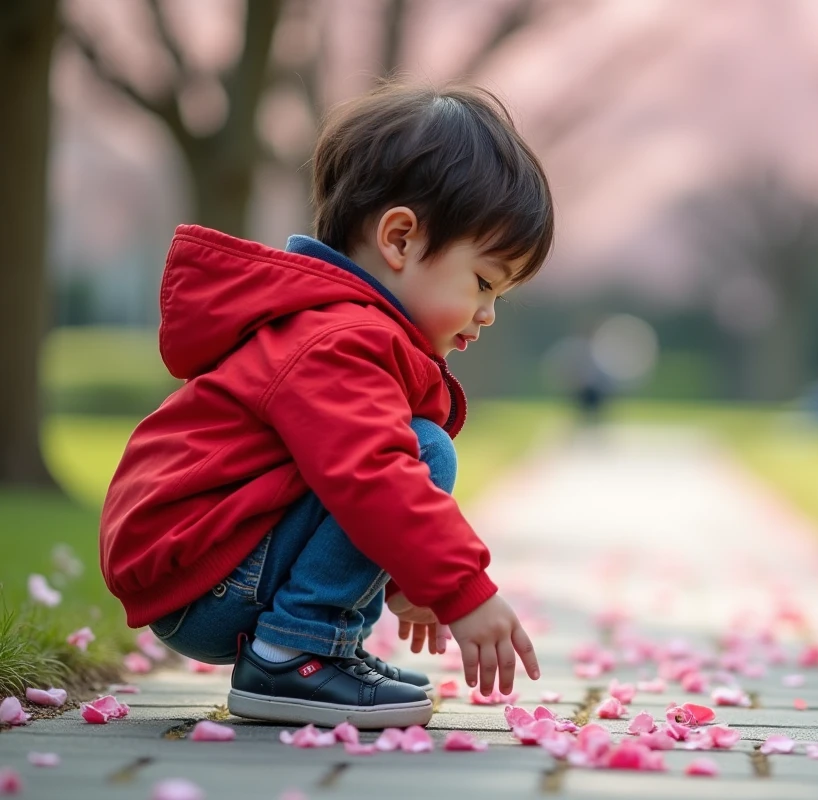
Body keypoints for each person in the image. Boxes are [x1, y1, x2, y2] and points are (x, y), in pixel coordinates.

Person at [98, 83, 551, 729]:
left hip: (209, 565)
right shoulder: (339, 339)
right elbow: (370, 472)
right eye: (483, 281)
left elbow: (328, 480)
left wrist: (406, 576)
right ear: (399, 239)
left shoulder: (333, 327)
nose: (487, 313)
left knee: (413, 445)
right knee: (421, 449)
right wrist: (462, 590)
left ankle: (319, 649)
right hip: (207, 579)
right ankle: (294, 654)